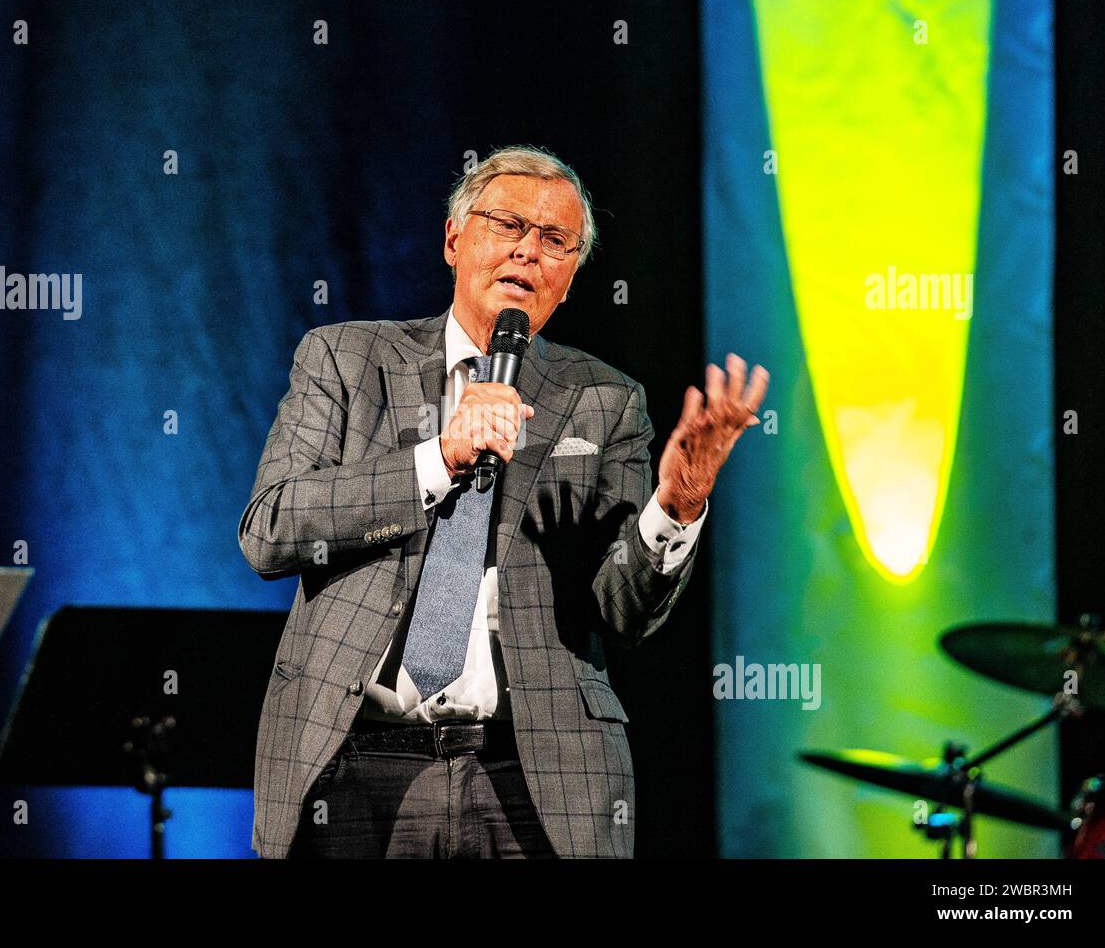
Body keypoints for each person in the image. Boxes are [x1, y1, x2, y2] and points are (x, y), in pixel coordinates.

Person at [239, 145, 768, 858]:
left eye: (555, 242)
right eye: (508, 225)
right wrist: (439, 458)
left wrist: (679, 503)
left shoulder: (605, 401)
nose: (528, 252)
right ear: (455, 239)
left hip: (533, 771)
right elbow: (270, 528)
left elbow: (624, 611)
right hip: (357, 761)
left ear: (572, 276)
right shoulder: (347, 360)